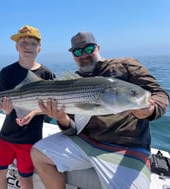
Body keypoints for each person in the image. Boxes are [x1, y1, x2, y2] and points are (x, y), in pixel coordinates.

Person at [31, 31, 169, 189]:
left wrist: (151, 109)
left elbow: (159, 94)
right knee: (38, 153)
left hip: (126, 147)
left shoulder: (125, 65)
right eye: (77, 51)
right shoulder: (72, 83)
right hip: (84, 141)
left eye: (88, 49)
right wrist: (62, 119)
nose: (83, 55)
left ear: (98, 48)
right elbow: (73, 128)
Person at [0, 25, 55, 189]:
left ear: (39, 48)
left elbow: (52, 106)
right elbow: (2, 103)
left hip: (30, 139)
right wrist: (6, 110)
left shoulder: (47, 74)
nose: (28, 47)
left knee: (25, 179)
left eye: (33, 43)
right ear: (16, 46)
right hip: (6, 136)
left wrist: (33, 112)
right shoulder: (7, 72)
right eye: (23, 42)